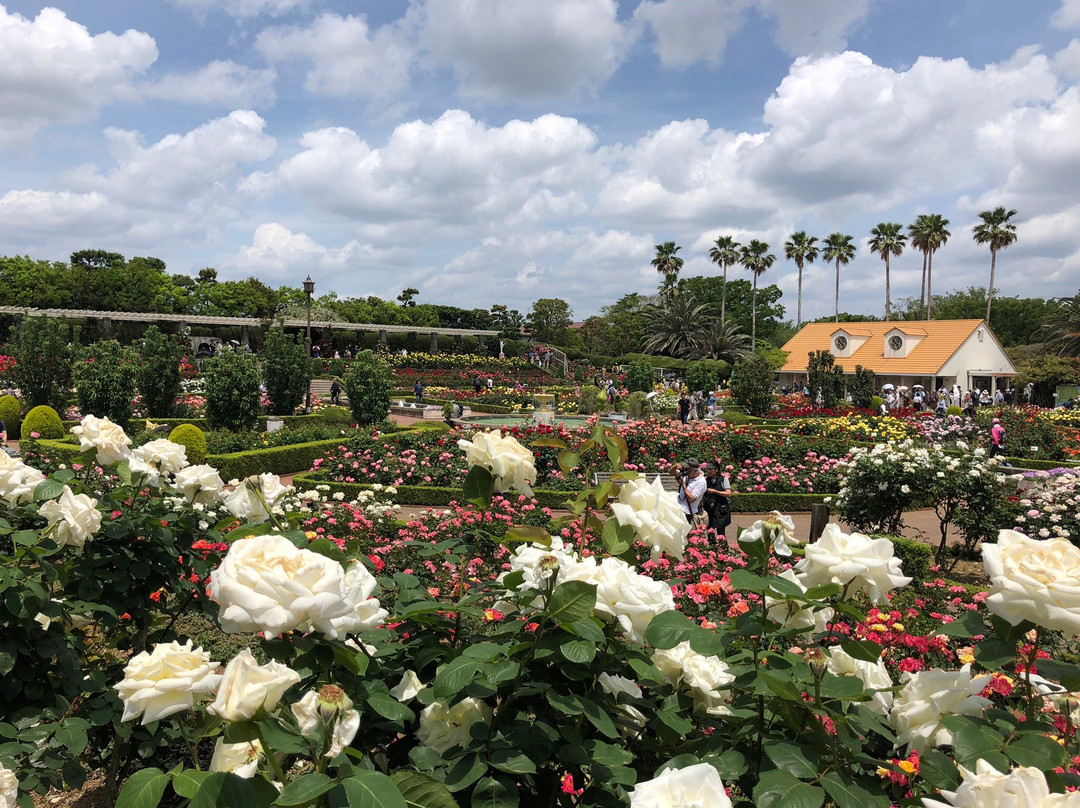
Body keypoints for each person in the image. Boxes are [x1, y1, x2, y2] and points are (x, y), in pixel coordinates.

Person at [701, 461, 734, 537]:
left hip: (720, 508)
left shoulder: (723, 479)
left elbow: (728, 493)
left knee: (721, 531)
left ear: (716, 470)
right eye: (707, 469)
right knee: (709, 530)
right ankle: (712, 547)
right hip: (709, 508)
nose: (708, 471)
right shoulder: (706, 480)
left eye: (711, 469)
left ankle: (723, 548)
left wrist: (715, 491)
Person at [675, 458, 708, 526]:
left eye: (687, 470)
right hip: (679, 509)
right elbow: (670, 472)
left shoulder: (701, 482)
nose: (685, 471)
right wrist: (676, 467)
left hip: (688, 513)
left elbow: (691, 499)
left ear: (694, 471)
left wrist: (683, 485)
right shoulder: (687, 476)